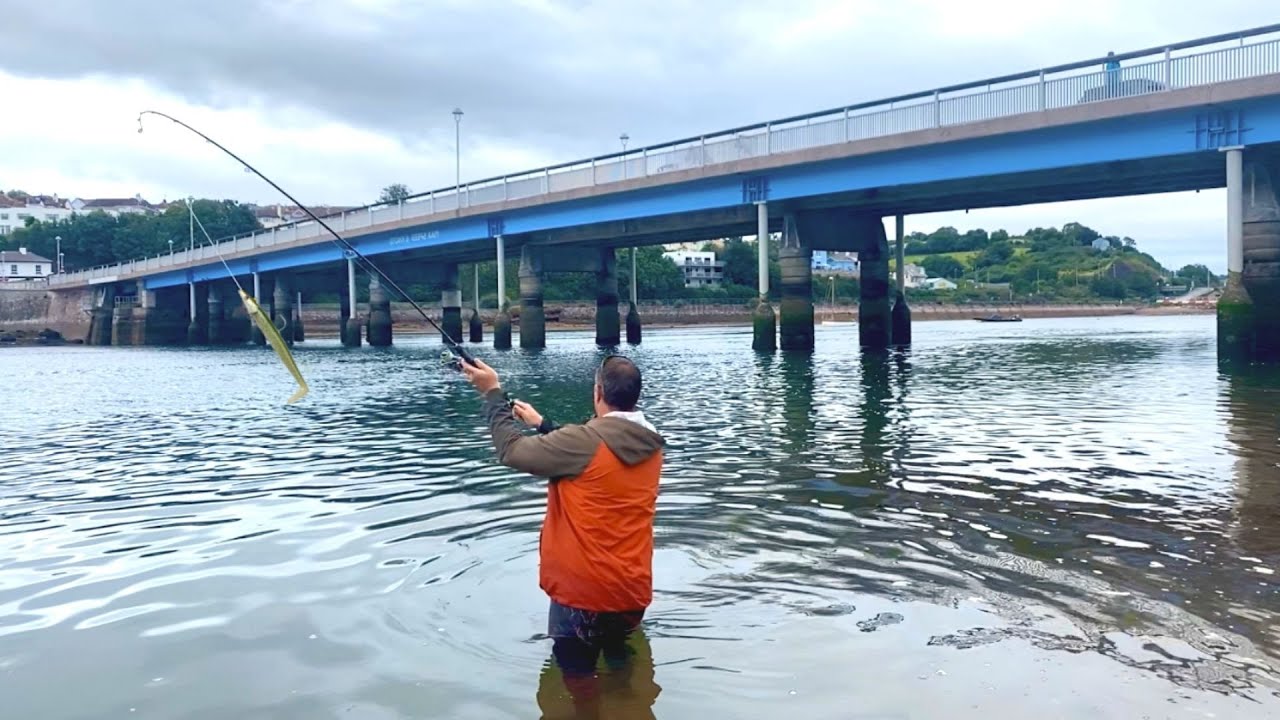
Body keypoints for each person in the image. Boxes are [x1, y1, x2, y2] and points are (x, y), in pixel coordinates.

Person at [460, 354, 665, 683]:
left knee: (577, 688)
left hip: (582, 597)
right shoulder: (650, 443)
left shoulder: (582, 442)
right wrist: (543, 426)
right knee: (622, 675)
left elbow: (510, 450)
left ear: (598, 392)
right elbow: (598, 453)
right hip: (630, 591)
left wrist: (492, 392)